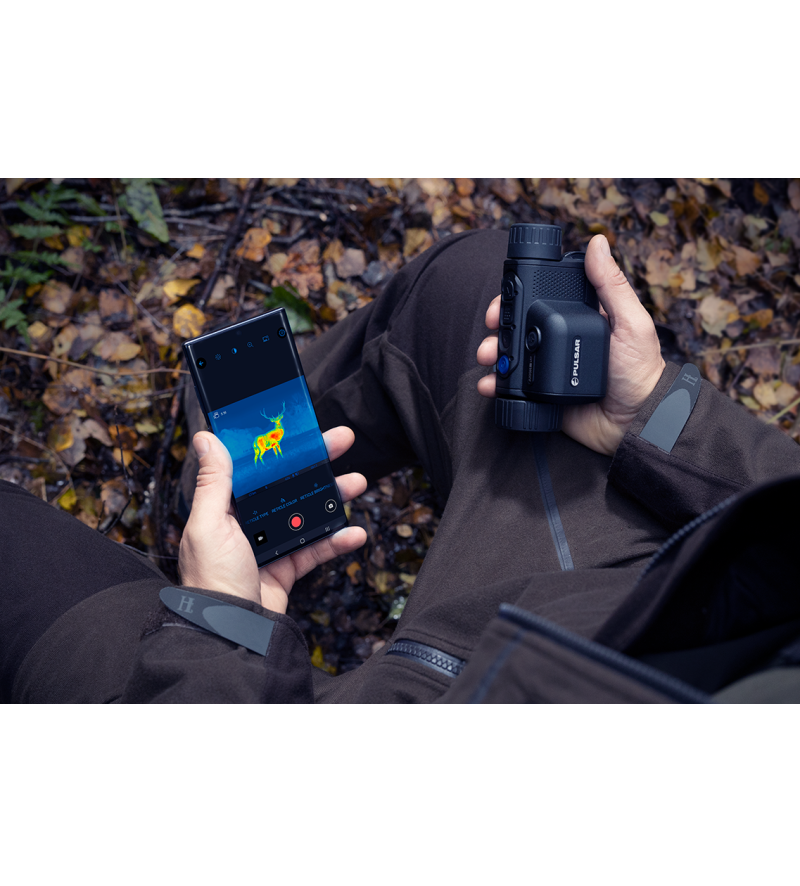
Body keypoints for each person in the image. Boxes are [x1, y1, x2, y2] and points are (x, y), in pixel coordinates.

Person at [3, 230, 800, 703]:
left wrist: (221, 630)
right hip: (659, 597)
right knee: (481, 275)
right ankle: (219, 491)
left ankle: (217, 546)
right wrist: (658, 414)